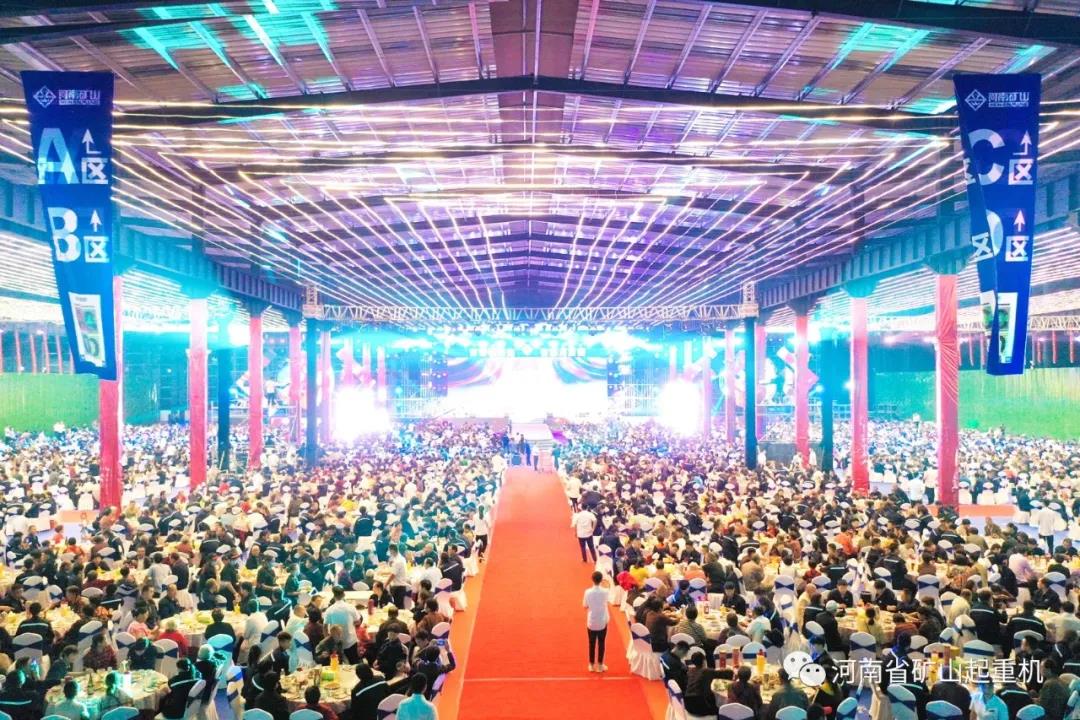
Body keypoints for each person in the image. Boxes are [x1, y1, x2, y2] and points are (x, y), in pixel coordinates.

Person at [325, 586, 361, 663]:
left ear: (333, 595)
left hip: (335, 642)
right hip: (350, 641)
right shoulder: (351, 607)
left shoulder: (329, 610)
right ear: (344, 594)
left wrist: (327, 639)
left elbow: (325, 627)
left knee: (337, 664)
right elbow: (358, 621)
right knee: (354, 662)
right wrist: (350, 623)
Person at [583, 570, 609, 673]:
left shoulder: (587, 592)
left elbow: (585, 605)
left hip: (592, 621)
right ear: (601, 580)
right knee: (601, 643)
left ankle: (591, 664)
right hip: (602, 620)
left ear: (592, 580)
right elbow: (607, 598)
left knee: (591, 643)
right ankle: (600, 665)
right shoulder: (605, 591)